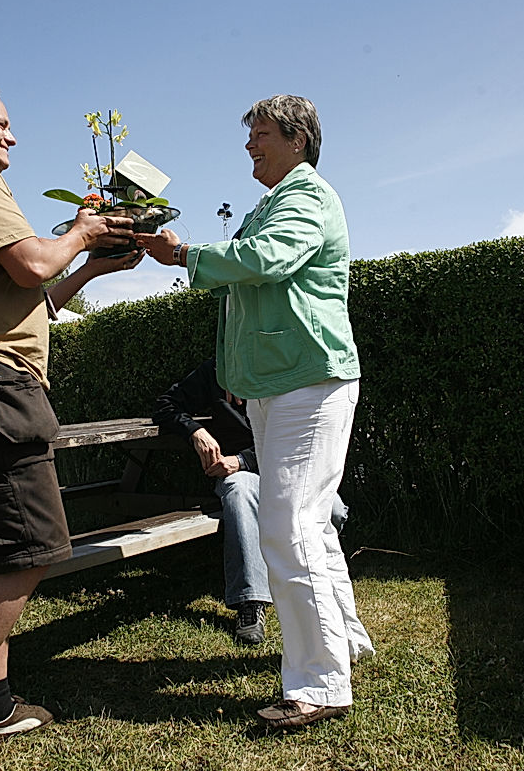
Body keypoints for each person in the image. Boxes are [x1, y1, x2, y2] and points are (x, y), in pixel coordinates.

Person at [0, 83, 140, 771]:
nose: (11, 137)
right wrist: (83, 231)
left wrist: (89, 266)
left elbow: (35, 295)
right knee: (32, 549)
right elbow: (34, 261)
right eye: (2, 123)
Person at [139, 94, 374, 730]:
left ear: (298, 140)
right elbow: (247, 273)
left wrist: (184, 255)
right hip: (279, 383)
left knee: (287, 527)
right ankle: (345, 642)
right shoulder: (272, 203)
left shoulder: (306, 195)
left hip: (308, 380)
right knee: (310, 524)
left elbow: (267, 259)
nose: (250, 145)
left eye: (262, 134)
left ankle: (320, 684)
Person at [151, 357, 348, 645]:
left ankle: (306, 578)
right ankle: (250, 603)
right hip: (241, 476)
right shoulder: (218, 371)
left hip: (286, 468)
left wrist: (243, 460)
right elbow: (165, 405)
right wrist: (195, 431)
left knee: (335, 511)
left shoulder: (287, 369)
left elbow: (298, 437)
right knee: (239, 492)